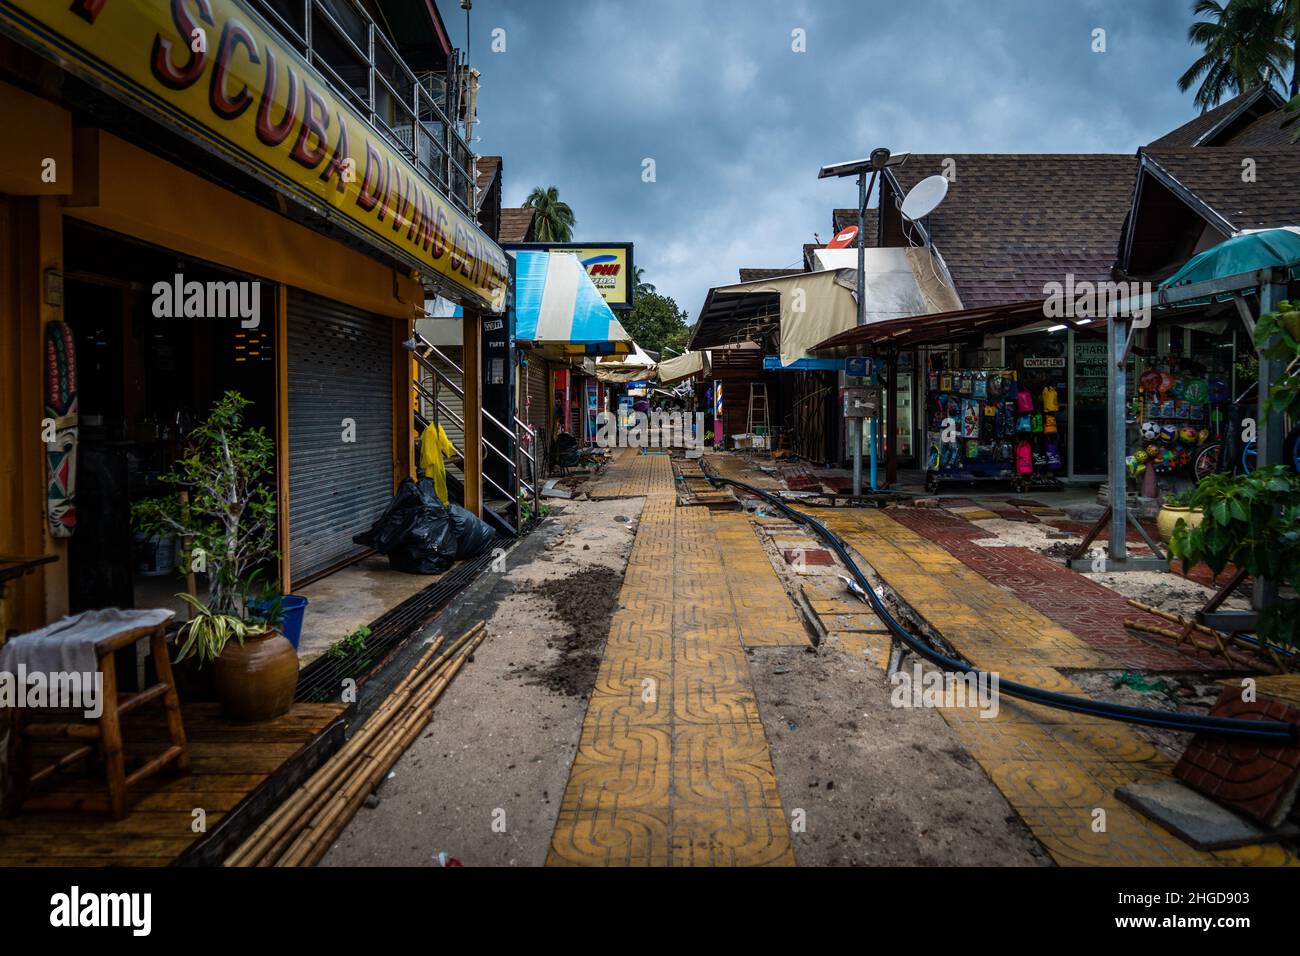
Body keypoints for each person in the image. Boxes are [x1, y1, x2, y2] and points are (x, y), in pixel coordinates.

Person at [419, 420, 460, 506]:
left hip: (428, 463)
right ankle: (440, 503)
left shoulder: (428, 430)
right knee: (438, 484)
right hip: (435, 462)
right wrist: (453, 451)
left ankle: (433, 503)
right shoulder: (436, 430)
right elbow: (444, 442)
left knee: (431, 485)